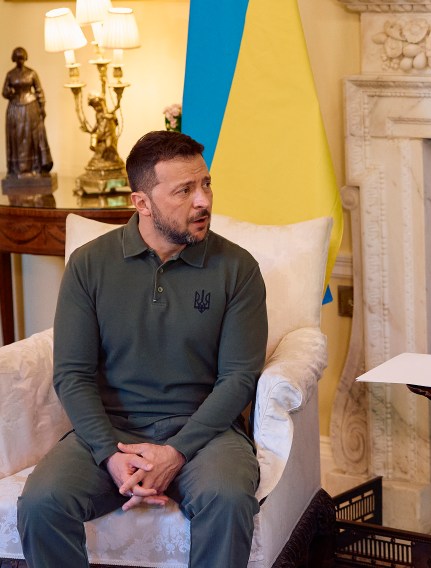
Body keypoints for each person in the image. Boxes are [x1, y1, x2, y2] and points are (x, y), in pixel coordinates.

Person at [17, 130, 268, 567]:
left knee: (228, 499)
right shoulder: (89, 265)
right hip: (112, 432)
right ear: (141, 203)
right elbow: (71, 375)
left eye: (205, 183)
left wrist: (176, 452)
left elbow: (239, 379)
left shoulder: (238, 268)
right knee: (41, 504)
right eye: (184, 190)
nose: (203, 201)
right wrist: (109, 456)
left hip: (205, 435)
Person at [3, 47, 53, 176]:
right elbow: (4, 91)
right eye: (17, 57)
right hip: (15, 109)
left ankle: (35, 166)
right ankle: (18, 168)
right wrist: (10, 93)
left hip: (31, 107)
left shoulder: (32, 73)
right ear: (14, 59)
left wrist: (42, 108)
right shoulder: (10, 74)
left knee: (32, 136)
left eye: (22, 57)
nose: (20, 60)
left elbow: (39, 91)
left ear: (25, 58)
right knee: (17, 137)